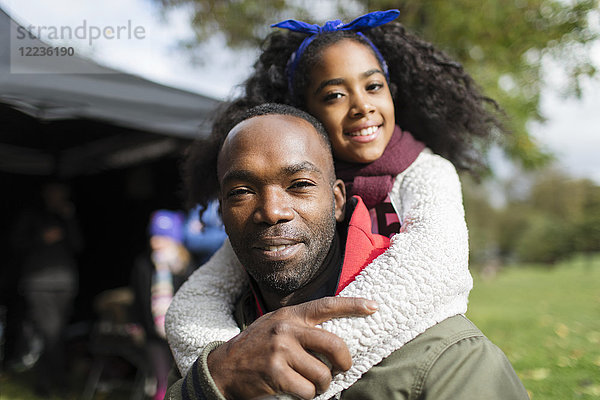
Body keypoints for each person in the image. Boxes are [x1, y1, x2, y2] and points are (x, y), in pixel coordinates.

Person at [167, 9, 502, 392]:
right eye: (335, 95)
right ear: (304, 114)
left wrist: (309, 360)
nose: (361, 106)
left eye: (373, 86)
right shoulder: (278, 195)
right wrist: (223, 369)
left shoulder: (426, 171)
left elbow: (432, 271)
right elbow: (199, 297)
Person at [165, 104, 528, 399]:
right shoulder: (210, 349)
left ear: (337, 199)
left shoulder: (452, 360)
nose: (272, 210)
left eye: (300, 185)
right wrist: (215, 381)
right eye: (241, 191)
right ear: (222, 213)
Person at [11, 181, 83, 397]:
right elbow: (15, 242)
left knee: (56, 333)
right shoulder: (32, 216)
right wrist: (41, 238)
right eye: (53, 192)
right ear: (45, 194)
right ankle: (55, 381)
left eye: (61, 193)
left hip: (64, 283)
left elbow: (79, 245)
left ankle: (48, 381)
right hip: (39, 283)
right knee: (49, 332)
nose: (57, 196)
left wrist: (70, 218)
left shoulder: (67, 217)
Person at [131, 210, 195, 400]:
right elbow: (138, 298)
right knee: (161, 380)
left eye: (162, 237)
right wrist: (136, 324)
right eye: (154, 236)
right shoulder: (144, 265)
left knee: (183, 378)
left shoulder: (185, 266)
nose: (156, 241)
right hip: (153, 333)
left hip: (179, 331)